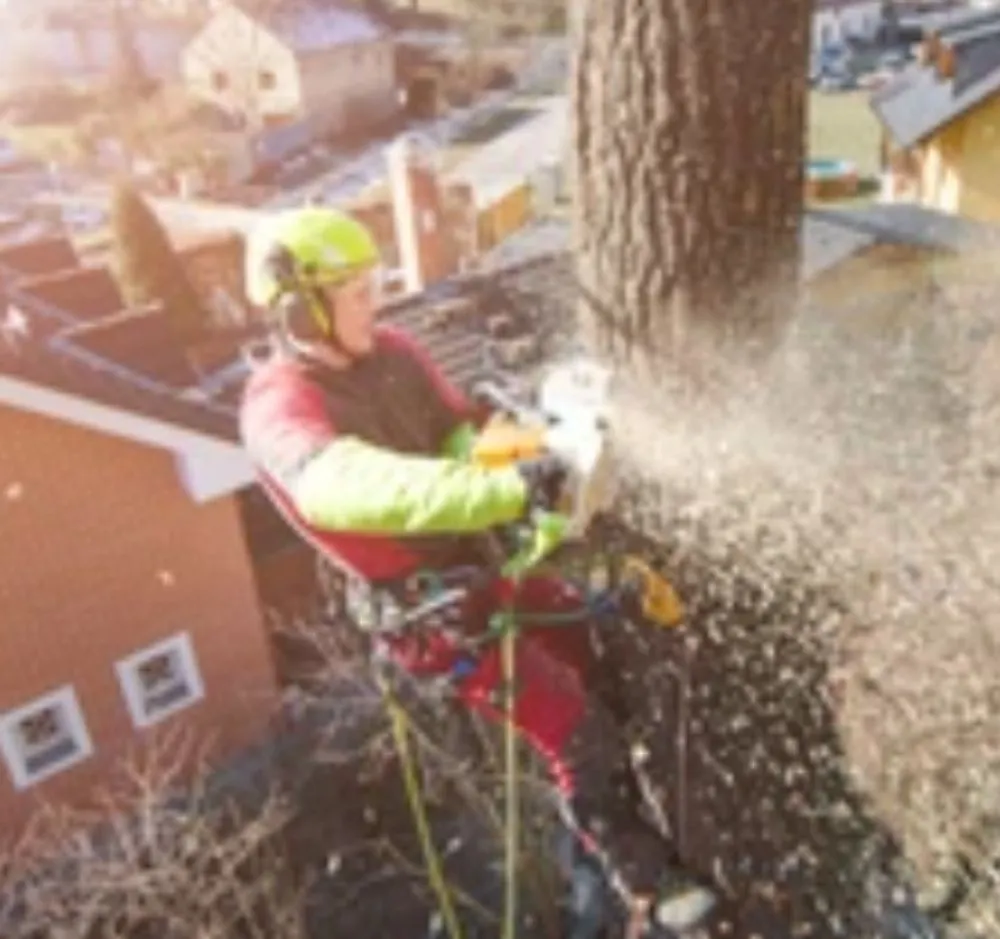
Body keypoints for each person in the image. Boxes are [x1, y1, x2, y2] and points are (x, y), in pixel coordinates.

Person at [238, 206, 718, 937]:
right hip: (434, 613)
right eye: (354, 290)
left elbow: (459, 430)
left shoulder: (394, 351)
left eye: (373, 283)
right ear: (303, 310)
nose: (375, 302)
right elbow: (348, 486)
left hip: (484, 561)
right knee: (572, 724)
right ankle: (649, 879)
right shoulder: (279, 407)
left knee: (604, 656)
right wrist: (503, 489)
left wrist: (537, 452)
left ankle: (610, 811)